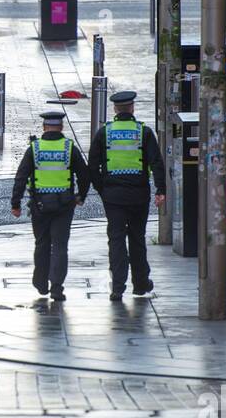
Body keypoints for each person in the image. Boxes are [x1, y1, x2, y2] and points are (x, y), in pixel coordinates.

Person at [87, 90, 166, 301]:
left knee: (116, 239)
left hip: (113, 196)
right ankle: (140, 284)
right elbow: (157, 163)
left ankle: (118, 287)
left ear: (115, 109)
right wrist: (161, 190)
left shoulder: (103, 133)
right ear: (132, 108)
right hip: (139, 194)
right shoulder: (144, 132)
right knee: (137, 238)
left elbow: (92, 165)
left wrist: (101, 188)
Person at [10, 111, 90, 302]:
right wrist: (81, 196)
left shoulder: (34, 149)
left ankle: (40, 282)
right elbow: (84, 175)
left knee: (42, 243)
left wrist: (16, 203)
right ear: (61, 127)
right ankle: (56, 287)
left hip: (40, 205)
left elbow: (21, 176)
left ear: (44, 127)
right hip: (64, 205)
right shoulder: (69, 148)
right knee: (60, 246)